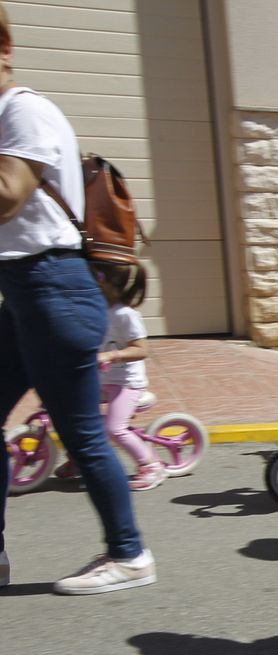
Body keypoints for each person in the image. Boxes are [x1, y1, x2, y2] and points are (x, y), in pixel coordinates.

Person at [0, 7, 153, 595]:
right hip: (21, 292)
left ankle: (130, 554)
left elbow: (8, 196)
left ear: (6, 46)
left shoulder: (25, 111)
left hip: (55, 289)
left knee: (82, 431)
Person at [54, 261, 166, 491]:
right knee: (78, 418)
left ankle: (152, 466)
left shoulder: (126, 315)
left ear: (108, 284)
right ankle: (80, 460)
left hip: (126, 383)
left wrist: (110, 356)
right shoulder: (96, 309)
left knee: (115, 428)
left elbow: (142, 349)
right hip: (102, 379)